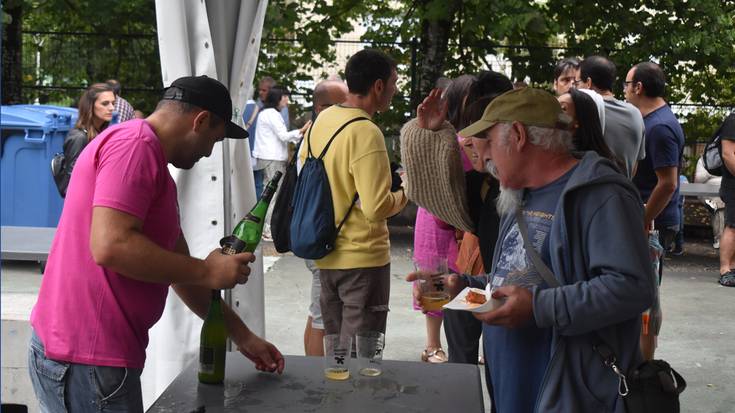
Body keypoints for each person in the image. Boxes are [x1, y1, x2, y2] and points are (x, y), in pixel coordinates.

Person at [29, 75, 285, 412]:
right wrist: (208, 270)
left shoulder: (150, 165)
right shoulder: (135, 146)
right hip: (88, 359)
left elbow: (181, 271)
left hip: (91, 357)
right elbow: (110, 245)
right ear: (201, 120)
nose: (208, 152)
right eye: (213, 139)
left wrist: (243, 336)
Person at [411, 87, 654, 413]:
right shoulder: (517, 196)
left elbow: (632, 288)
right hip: (514, 389)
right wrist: (458, 287)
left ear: (518, 135)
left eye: (491, 141)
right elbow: (512, 283)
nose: (485, 155)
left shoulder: (602, 195)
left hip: (571, 394)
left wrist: (539, 307)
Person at [298, 49, 407, 340]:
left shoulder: (322, 120)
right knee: (362, 358)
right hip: (363, 260)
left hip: (325, 255)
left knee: (336, 355)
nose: (395, 90)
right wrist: (406, 191)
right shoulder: (365, 131)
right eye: (394, 82)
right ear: (378, 86)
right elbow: (375, 207)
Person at [626, 61, 685, 358]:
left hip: (654, 224)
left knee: (647, 302)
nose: (624, 91)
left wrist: (644, 218)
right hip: (649, 219)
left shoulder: (660, 126)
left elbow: (668, 183)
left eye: (626, 84)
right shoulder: (651, 121)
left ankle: (644, 368)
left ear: (639, 88)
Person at [303, 79, 348, 357]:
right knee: (323, 316)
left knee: (316, 310)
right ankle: (314, 381)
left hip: (313, 229)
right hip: (322, 232)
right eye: (336, 105)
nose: (344, 110)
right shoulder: (322, 134)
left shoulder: (314, 132)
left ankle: (309, 372)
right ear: (319, 107)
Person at [253, 86, 311, 241]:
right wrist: (303, 130)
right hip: (272, 158)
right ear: (277, 97)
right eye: (284, 96)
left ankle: (266, 228)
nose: (287, 100)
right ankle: (267, 229)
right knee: (274, 194)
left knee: (269, 193)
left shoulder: (268, 113)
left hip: (269, 157)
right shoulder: (271, 114)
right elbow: (284, 136)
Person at [576, 56, 646, 178]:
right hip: (623, 191)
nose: (574, 88)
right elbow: (635, 164)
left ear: (588, 83)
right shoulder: (635, 113)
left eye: (577, 83)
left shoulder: (582, 112)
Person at [55, 83, 116, 197]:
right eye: (105, 104)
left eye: (113, 103)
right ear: (90, 106)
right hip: (84, 204)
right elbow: (69, 186)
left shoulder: (101, 133)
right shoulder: (79, 137)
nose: (112, 108)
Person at [242, 76, 291, 198]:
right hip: (258, 153)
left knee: (263, 186)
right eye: (259, 90)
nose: (260, 93)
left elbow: (283, 134)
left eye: (264, 90)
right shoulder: (257, 105)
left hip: (270, 155)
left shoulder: (280, 110)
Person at [557, 88, 622, 170]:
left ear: (578, 121)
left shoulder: (592, 166)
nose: (554, 111)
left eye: (563, 108)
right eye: (554, 105)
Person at [714, 112, 735, 286]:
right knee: (733, 225)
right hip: (733, 183)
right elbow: (728, 155)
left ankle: (733, 267)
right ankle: (725, 269)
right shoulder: (733, 120)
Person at [693, 156, 725, 249]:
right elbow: (699, 178)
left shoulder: (729, 157)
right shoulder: (704, 160)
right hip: (706, 196)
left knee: (722, 203)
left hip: (726, 195)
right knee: (718, 206)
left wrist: (710, 174)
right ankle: (719, 239)